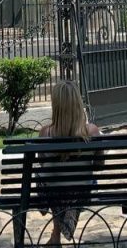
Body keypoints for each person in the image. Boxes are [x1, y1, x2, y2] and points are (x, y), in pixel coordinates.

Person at [37, 80, 102, 245]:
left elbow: (42, 163)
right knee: (79, 181)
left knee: (50, 180)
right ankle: (63, 224)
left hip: (54, 191)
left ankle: (56, 234)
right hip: (81, 191)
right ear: (78, 103)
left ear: (56, 105)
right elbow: (99, 164)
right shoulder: (92, 131)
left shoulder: (45, 133)